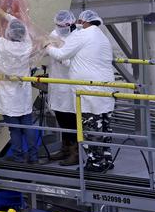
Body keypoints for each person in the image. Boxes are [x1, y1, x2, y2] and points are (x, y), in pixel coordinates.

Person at [45, 9, 115, 171]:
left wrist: (47, 46)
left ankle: (94, 163)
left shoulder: (83, 34)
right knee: (104, 126)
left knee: (91, 129)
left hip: (89, 90)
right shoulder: (100, 35)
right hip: (104, 89)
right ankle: (106, 160)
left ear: (83, 22)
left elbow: (62, 54)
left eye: (78, 22)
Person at [0, 8, 39, 163]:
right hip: (23, 93)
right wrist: (4, 13)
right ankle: (33, 157)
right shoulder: (27, 45)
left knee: (15, 129)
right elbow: (20, 26)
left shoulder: (0, 45)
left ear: (8, 33)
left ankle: (18, 157)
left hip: (7, 95)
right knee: (28, 125)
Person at [45, 10, 78, 164]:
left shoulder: (78, 37)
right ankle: (65, 149)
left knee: (71, 120)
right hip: (57, 85)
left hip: (71, 86)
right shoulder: (54, 34)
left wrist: (56, 52)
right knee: (61, 118)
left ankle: (75, 153)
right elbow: (48, 52)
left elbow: (71, 62)